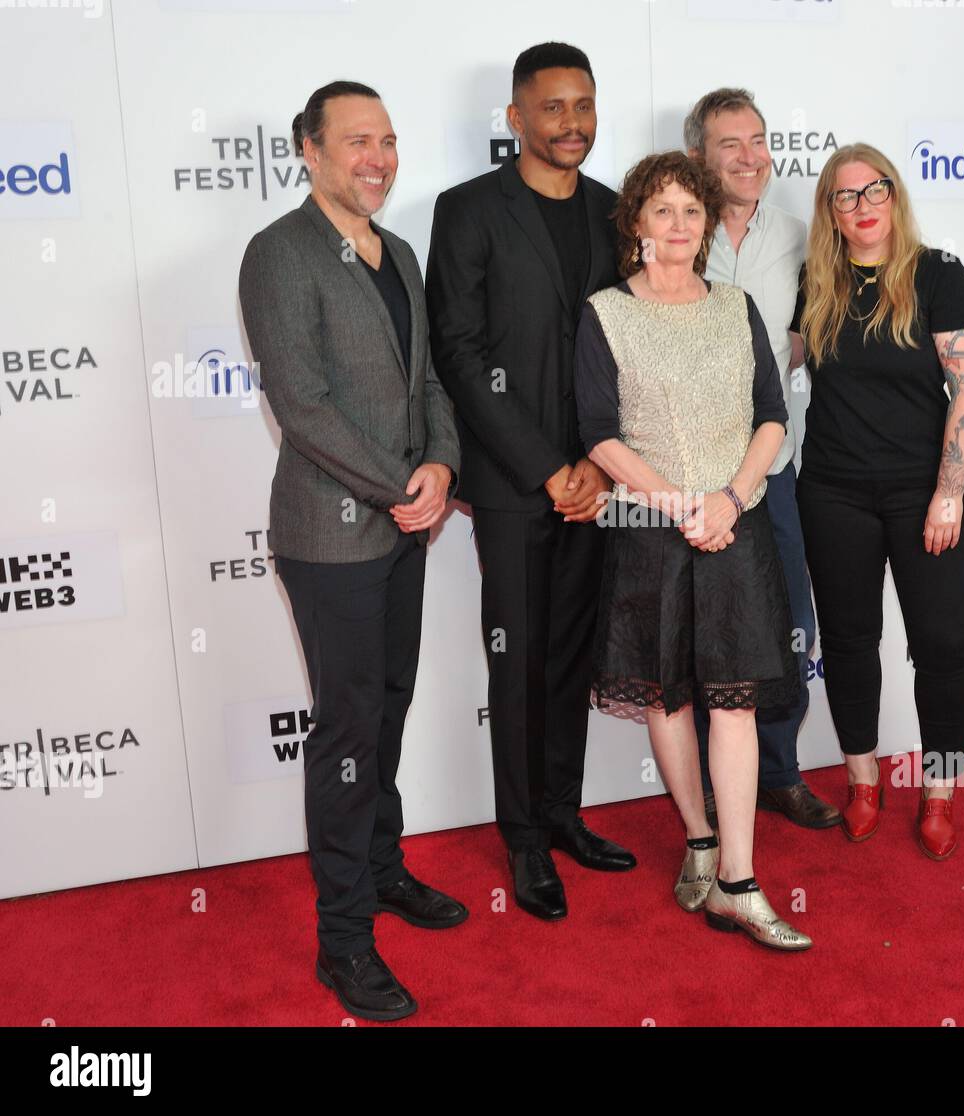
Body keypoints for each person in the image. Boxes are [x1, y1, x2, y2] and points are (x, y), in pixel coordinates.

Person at [238, 81, 465, 1023]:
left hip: (406, 522)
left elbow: (432, 386)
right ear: (309, 149)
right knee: (344, 733)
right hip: (331, 537)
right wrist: (398, 487)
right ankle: (344, 944)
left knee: (390, 707)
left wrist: (443, 465)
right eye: (356, 141)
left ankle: (382, 870)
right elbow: (303, 406)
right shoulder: (279, 254)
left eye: (389, 141)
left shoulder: (399, 251)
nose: (378, 157)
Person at [575, 151, 811, 951]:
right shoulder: (606, 311)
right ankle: (700, 839)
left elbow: (772, 413)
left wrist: (732, 498)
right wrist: (679, 504)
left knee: (735, 699)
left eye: (690, 211)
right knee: (667, 694)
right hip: (652, 530)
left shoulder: (738, 305)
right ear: (636, 223)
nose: (678, 226)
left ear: (708, 223)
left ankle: (739, 883)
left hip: (732, 525)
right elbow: (599, 434)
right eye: (662, 210)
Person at [425, 42, 635, 923]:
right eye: (553, 108)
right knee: (518, 661)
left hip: (598, 476)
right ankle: (520, 836)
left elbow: (630, 341)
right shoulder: (467, 210)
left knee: (572, 655)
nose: (573, 123)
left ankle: (562, 813)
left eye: (584, 105)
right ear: (515, 120)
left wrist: (596, 459)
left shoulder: (614, 209)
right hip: (517, 484)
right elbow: (460, 354)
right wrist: (547, 466)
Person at [792, 143, 964, 857]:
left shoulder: (939, 274)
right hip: (832, 490)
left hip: (923, 492)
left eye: (875, 189)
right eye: (846, 196)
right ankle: (862, 779)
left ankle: (939, 792)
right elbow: (761, 364)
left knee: (941, 646)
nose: (864, 205)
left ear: (895, 195)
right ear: (831, 212)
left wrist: (948, 493)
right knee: (849, 644)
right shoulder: (816, 281)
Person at [685, 88, 840, 832]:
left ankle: (777, 772)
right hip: (687, 478)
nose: (750, 159)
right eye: (729, 145)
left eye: (758, 142)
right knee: (700, 630)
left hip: (775, 470)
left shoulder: (803, 235)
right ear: (696, 158)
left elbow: (814, 339)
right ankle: (708, 793)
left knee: (786, 625)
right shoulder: (672, 232)